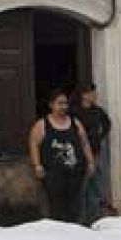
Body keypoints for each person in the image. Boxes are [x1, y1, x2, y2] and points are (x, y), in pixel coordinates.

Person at [28, 89, 96, 224]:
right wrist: (37, 165)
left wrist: (90, 162)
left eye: (65, 103)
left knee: (76, 207)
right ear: (51, 105)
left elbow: (85, 144)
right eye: (60, 103)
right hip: (54, 176)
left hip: (76, 174)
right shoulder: (42, 125)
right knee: (57, 208)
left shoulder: (75, 123)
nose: (63, 107)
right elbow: (33, 143)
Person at [76, 82, 114, 223]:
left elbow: (107, 124)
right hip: (79, 155)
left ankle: (96, 217)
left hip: (95, 152)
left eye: (94, 92)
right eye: (91, 93)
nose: (94, 95)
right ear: (84, 95)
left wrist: (100, 136)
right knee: (82, 186)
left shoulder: (98, 111)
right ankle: (82, 218)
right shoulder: (75, 112)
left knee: (96, 184)